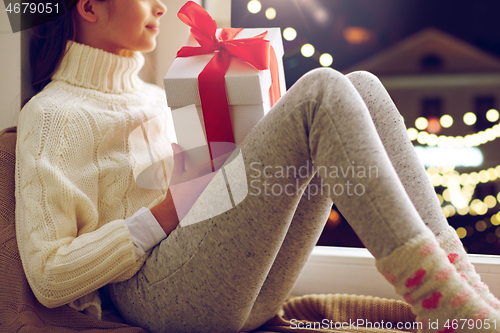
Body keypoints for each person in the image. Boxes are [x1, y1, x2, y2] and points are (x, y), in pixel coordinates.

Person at [16, 0, 500, 332]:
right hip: (151, 299)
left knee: (364, 86)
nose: (160, 7)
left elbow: (201, 199)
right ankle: (439, 301)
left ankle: (462, 286)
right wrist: (164, 211)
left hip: (233, 284)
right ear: (89, 6)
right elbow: (48, 275)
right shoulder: (54, 114)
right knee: (323, 89)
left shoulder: (156, 96)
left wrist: (230, 156)